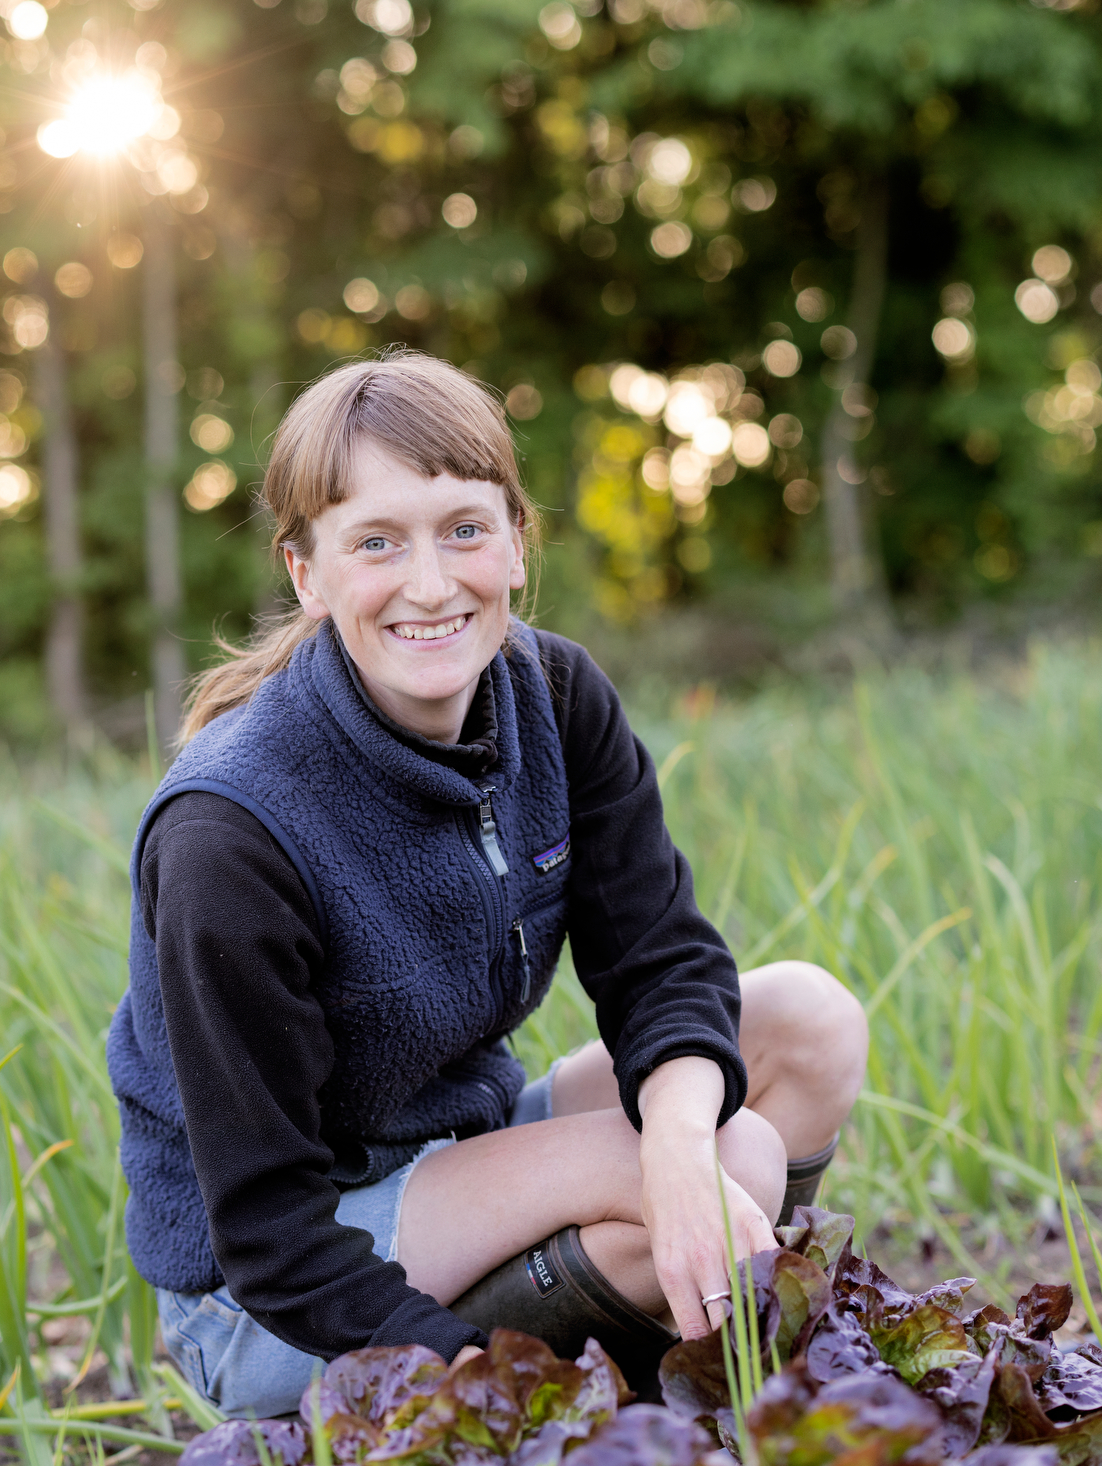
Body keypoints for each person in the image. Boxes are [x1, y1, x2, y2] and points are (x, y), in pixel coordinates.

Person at [105, 350, 868, 1419]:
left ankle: (693, 1334)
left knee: (802, 1025)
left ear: (515, 539)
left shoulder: (553, 696)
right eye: (376, 542)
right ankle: (620, 1382)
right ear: (306, 574)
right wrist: (488, 1385)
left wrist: (682, 1151)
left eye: (463, 527)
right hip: (270, 1293)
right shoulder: (230, 834)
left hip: (463, 1148)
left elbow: (660, 960)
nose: (429, 582)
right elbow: (268, 1230)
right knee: (716, 1159)